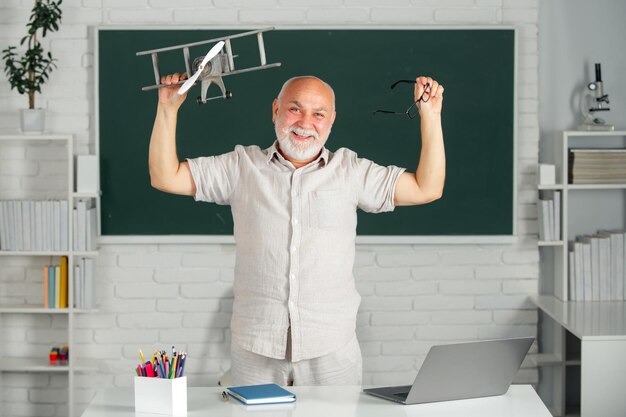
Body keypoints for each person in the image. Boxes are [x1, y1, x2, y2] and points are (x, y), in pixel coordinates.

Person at [149, 73, 445, 386]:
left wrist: (431, 115)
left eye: (318, 114)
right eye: (295, 109)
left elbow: (427, 188)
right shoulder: (240, 167)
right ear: (275, 110)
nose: (305, 123)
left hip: (332, 349)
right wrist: (168, 109)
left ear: (331, 121)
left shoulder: (351, 171)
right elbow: (165, 177)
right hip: (256, 348)